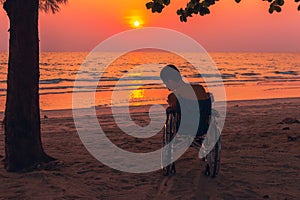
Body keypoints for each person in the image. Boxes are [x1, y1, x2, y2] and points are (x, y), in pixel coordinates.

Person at [160, 64, 211, 138]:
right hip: (202, 128)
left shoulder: (173, 96)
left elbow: (174, 108)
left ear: (170, 80)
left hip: (184, 128)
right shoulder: (200, 89)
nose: (166, 86)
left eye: (165, 82)